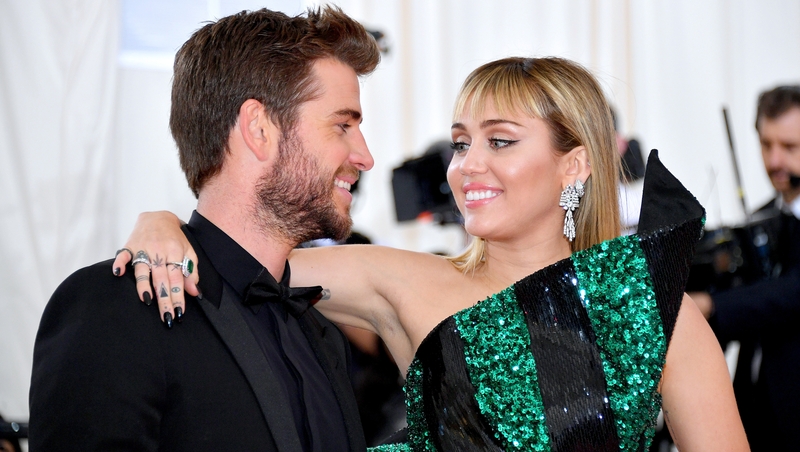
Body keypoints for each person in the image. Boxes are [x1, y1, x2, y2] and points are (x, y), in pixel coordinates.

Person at [115, 57, 748, 450]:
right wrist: (163, 223)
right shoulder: (398, 279)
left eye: (499, 142)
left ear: (575, 164)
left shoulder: (655, 314)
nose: (468, 167)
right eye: (460, 143)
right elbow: (237, 260)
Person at [29, 7, 379, 451]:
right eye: (342, 125)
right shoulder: (115, 309)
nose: (365, 156)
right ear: (259, 129)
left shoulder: (319, 332)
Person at [690, 85, 800, 451]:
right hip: (754, 421)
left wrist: (711, 305)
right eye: (766, 145)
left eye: (789, 147)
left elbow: (788, 293)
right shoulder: (760, 220)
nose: (774, 162)